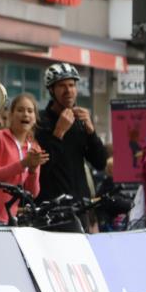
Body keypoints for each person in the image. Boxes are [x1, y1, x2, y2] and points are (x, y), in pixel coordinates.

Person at [34, 63, 108, 202]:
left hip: (80, 203)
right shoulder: (39, 121)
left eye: (72, 85)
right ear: (51, 90)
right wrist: (58, 133)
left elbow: (100, 163)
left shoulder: (80, 120)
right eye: (62, 86)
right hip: (51, 205)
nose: (68, 90)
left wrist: (91, 132)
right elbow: (41, 167)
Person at [0, 94, 49, 225]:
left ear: (35, 118)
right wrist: (23, 164)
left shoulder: (34, 148)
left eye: (30, 111)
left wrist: (33, 170)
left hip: (8, 216)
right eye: (20, 110)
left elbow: (33, 193)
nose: (25, 114)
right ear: (11, 115)